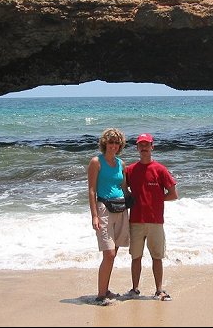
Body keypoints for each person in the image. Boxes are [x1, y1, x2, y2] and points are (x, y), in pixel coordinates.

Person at [125, 133, 178, 301]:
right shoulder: (130, 170)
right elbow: (123, 190)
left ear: (152, 147)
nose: (144, 147)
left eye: (147, 144)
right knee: (136, 257)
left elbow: (173, 194)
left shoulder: (160, 169)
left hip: (155, 221)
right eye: (141, 145)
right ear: (137, 148)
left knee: (157, 257)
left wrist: (156, 200)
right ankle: (134, 289)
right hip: (135, 220)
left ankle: (159, 290)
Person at [87, 128, 130, 305]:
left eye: (116, 142)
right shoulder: (96, 162)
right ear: (105, 143)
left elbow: (125, 188)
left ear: (120, 145)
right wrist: (94, 216)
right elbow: (91, 190)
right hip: (104, 208)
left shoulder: (121, 164)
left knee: (115, 252)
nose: (113, 145)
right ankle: (100, 295)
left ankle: (105, 290)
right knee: (109, 253)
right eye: (110, 142)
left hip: (121, 209)